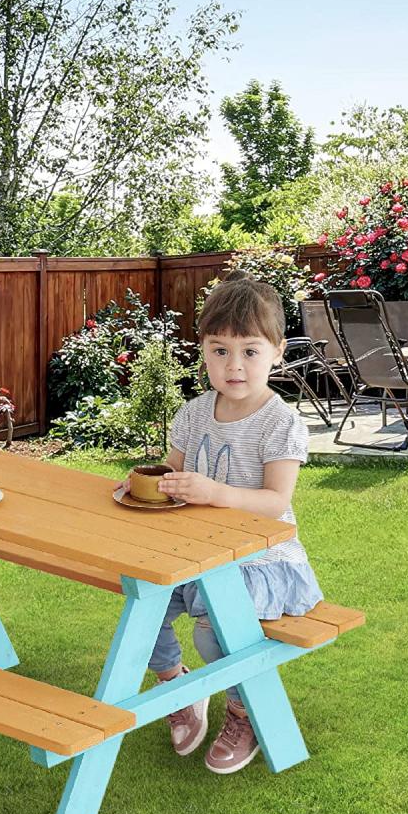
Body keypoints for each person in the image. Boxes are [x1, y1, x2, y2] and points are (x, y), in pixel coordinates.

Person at [119, 276, 323, 774]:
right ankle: (178, 688)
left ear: (276, 352)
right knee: (142, 606)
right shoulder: (192, 415)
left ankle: (242, 708)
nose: (234, 366)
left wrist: (216, 494)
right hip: (194, 549)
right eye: (220, 350)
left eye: (250, 351)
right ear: (204, 352)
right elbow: (172, 475)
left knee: (215, 621)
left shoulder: (280, 422)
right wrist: (147, 486)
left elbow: (276, 503)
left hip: (263, 560)